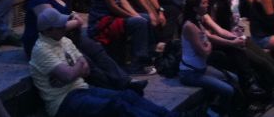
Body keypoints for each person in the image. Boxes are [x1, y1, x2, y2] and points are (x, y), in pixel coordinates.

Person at [21, 0, 136, 93]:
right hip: (46, 43)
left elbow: (67, 12)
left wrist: (74, 15)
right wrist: (76, 22)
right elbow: (52, 27)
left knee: (97, 50)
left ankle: (125, 81)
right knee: (86, 61)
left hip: (64, 37)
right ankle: (114, 90)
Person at [29, 8, 170, 117]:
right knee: (116, 106)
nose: (64, 27)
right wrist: (77, 66)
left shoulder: (64, 40)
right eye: (60, 26)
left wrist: (74, 69)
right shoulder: (42, 50)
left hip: (82, 88)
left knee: (128, 95)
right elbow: (68, 75)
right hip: (64, 102)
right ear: (48, 30)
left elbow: (86, 69)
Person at [178, 0, 245, 117]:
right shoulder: (189, 27)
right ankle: (213, 112)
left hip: (202, 69)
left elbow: (210, 37)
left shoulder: (197, 20)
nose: (207, 4)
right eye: (203, 3)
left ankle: (219, 108)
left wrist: (233, 41)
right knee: (228, 90)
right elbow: (205, 51)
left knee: (234, 77)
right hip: (190, 73)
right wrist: (208, 44)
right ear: (195, 8)